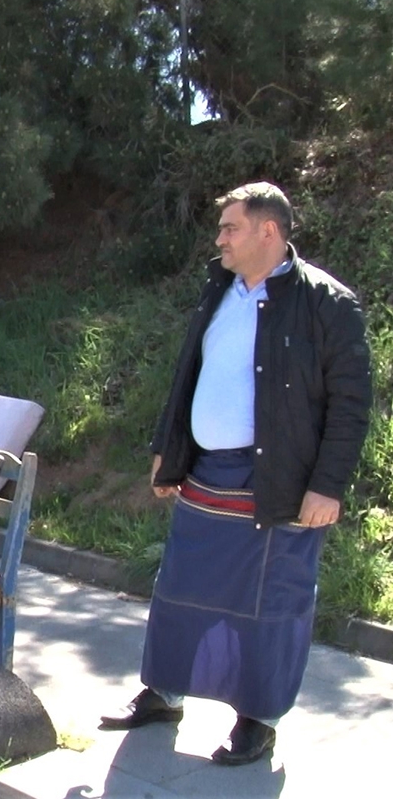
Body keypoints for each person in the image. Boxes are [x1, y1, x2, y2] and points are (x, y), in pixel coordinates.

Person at [100, 182, 373, 765]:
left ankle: (258, 719)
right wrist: (168, 448)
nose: (219, 238)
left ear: (267, 231)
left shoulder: (327, 302)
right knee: (180, 591)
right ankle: (164, 694)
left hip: (281, 482)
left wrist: (328, 485)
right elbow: (190, 372)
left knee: (270, 605)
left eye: (230, 227)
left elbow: (351, 404)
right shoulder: (218, 287)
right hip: (207, 474)